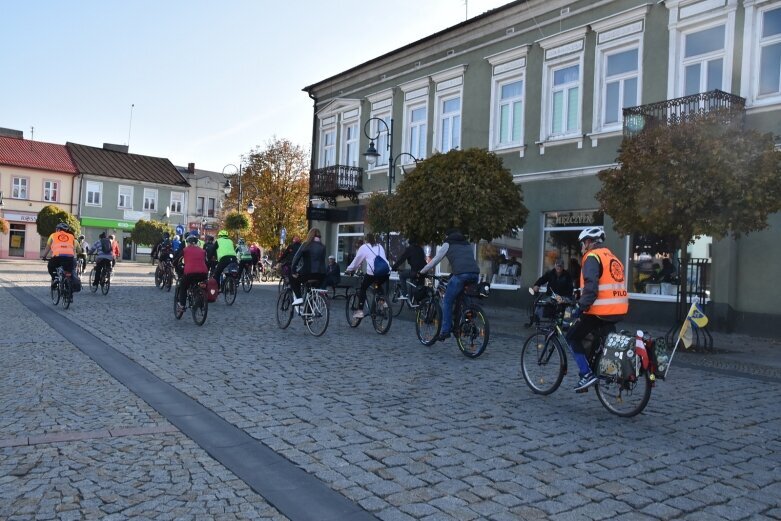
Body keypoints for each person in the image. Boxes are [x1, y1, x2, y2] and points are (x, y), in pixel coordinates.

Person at [566, 226, 628, 391]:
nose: (581, 248)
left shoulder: (592, 256)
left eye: (582, 244)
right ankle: (600, 369)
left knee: (572, 337)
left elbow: (592, 288)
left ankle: (586, 374)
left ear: (588, 242)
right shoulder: (613, 257)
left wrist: (579, 307)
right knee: (603, 341)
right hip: (618, 309)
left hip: (601, 311)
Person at [419, 229, 480, 341]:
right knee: (463, 298)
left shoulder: (448, 243)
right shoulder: (466, 244)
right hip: (475, 274)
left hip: (461, 275)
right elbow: (466, 261)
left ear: (447, 235)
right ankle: (466, 321)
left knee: (447, 300)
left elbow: (435, 260)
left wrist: (422, 272)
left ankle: (445, 330)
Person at [345, 233, 389, 318]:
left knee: (363, 288)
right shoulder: (380, 246)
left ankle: (360, 311)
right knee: (377, 285)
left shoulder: (364, 247)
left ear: (366, 240)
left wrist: (349, 269)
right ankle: (383, 302)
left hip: (373, 273)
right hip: (386, 272)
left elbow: (357, 261)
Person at [290, 228, 327, 306]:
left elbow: (296, 258)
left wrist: (293, 271)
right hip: (321, 275)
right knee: (311, 293)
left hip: (309, 273)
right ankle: (309, 315)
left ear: (310, 235)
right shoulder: (323, 247)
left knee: (292, 278)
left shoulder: (306, 245)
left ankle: (299, 298)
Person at [177, 234, 209, 313]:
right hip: (203, 273)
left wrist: (177, 266)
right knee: (201, 284)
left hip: (190, 273)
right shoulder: (202, 251)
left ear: (188, 242)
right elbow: (207, 262)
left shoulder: (185, 250)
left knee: (183, 286)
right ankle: (200, 298)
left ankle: (182, 306)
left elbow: (177, 260)